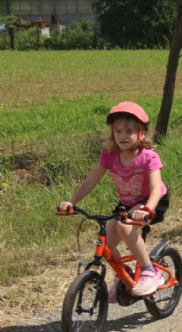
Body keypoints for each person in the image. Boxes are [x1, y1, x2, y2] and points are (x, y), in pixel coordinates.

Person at [58, 102, 169, 299]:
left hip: (153, 200)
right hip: (127, 203)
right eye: (118, 131)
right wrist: (71, 202)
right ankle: (123, 273)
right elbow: (90, 181)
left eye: (129, 131)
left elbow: (155, 189)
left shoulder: (148, 157)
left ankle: (150, 271)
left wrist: (147, 209)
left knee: (124, 228)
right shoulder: (109, 155)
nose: (123, 136)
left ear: (141, 133)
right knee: (106, 243)